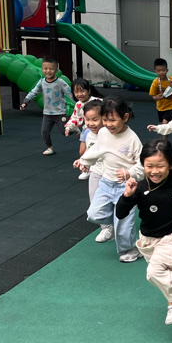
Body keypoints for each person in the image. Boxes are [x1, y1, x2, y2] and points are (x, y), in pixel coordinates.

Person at [116, 139, 172, 325]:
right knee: (163, 271)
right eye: (149, 166)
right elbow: (120, 213)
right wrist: (127, 195)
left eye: (160, 166)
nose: (154, 171)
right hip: (147, 239)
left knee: (154, 272)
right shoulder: (139, 188)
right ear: (143, 165)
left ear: (170, 165)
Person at [73, 97, 144, 262]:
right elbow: (97, 150)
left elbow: (142, 165)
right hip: (106, 183)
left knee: (123, 224)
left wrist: (129, 173)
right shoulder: (103, 133)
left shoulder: (132, 139)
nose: (108, 124)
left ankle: (130, 250)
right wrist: (85, 161)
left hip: (126, 188)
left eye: (112, 120)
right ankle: (116, 224)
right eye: (105, 120)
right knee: (93, 214)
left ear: (125, 117)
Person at [19, 57, 73, 155]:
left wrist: (78, 103)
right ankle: (50, 148)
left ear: (56, 70)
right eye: (45, 68)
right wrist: (25, 101)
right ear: (42, 69)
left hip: (60, 112)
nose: (48, 71)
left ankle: (75, 130)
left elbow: (69, 93)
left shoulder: (60, 82)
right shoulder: (42, 82)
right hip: (47, 113)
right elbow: (34, 92)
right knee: (44, 132)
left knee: (64, 132)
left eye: (51, 69)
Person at [77, 100, 110, 241]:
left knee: (115, 202)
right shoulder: (88, 134)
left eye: (95, 120)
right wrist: (84, 162)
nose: (91, 123)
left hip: (110, 173)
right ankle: (106, 228)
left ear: (104, 118)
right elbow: (89, 151)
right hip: (96, 171)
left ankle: (116, 225)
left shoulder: (109, 133)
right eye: (87, 119)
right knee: (94, 201)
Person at [149, 58, 172, 123]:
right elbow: (153, 95)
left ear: (167, 70)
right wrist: (156, 98)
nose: (161, 72)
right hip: (161, 107)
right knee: (162, 125)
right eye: (159, 71)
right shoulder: (155, 82)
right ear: (155, 71)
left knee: (165, 122)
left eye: (163, 70)